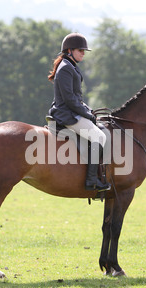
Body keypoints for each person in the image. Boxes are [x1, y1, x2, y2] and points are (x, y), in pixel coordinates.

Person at [48, 32, 110, 191]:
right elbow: (70, 99)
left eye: (84, 51)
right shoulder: (66, 68)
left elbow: (77, 98)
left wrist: (89, 110)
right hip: (66, 115)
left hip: (72, 111)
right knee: (99, 136)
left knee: (102, 128)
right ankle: (91, 181)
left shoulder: (70, 66)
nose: (83, 53)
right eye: (80, 50)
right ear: (69, 51)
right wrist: (87, 114)